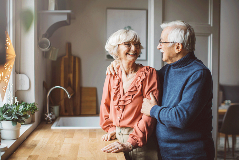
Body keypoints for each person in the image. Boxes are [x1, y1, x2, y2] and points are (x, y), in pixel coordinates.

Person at [106, 20, 215, 160]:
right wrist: (118, 62)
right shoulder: (168, 70)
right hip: (166, 152)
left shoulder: (199, 74)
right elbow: (142, 77)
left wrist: (153, 110)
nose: (158, 47)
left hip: (190, 155)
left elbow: (181, 118)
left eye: (162, 42)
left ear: (178, 47)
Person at [100, 29, 160, 159]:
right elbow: (105, 107)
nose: (134, 48)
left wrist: (131, 143)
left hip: (142, 144)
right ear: (116, 49)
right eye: (127, 44)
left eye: (137, 44)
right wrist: (112, 129)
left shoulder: (149, 74)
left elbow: (149, 114)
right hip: (115, 142)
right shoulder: (112, 74)